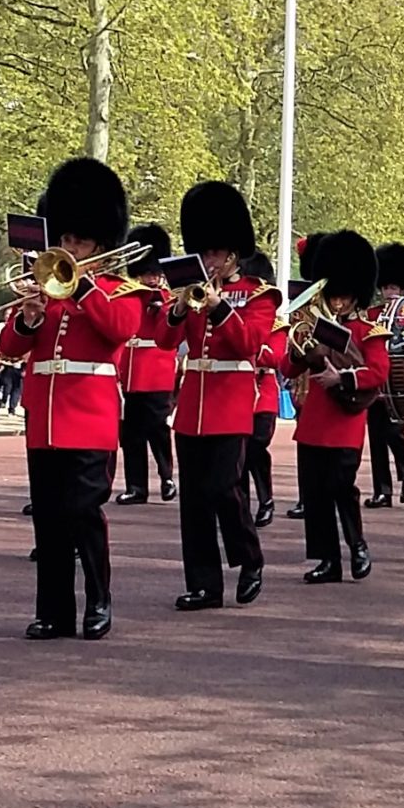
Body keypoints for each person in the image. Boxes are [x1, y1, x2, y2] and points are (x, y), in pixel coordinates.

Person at [0, 157, 142, 640]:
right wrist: (30, 316)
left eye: (78, 241)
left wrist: (82, 289)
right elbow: (9, 349)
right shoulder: (46, 290)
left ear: (99, 245)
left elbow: (120, 329)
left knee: (83, 513)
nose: (68, 248)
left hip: (90, 417)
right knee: (50, 520)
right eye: (64, 239)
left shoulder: (120, 291)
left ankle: (99, 600)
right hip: (44, 419)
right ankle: (55, 611)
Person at [157, 181, 282, 611]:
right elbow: (162, 341)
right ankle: (205, 584)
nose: (207, 260)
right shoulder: (189, 290)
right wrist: (176, 309)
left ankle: (250, 559)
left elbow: (249, 343)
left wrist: (220, 308)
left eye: (214, 253)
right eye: (203, 252)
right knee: (193, 501)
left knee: (224, 489)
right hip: (192, 406)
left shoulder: (260, 295)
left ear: (232, 254)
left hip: (230, 405)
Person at [288, 230, 389, 582]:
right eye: (334, 296)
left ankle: (357, 544)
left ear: (354, 297)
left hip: (344, 421)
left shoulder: (368, 330)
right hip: (314, 420)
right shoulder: (314, 324)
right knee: (315, 494)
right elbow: (289, 368)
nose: (337, 303)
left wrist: (343, 379)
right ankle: (327, 559)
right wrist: (300, 350)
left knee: (342, 488)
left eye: (343, 297)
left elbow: (378, 371)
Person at [114, 221, 180, 504]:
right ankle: (136, 486)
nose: (149, 279)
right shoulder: (128, 297)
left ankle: (167, 477)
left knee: (158, 429)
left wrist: (160, 307)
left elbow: (173, 329)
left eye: (154, 273)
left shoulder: (168, 298)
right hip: (129, 373)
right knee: (130, 435)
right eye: (144, 274)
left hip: (156, 374)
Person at [365, 240, 404, 509]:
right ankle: (382, 491)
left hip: (399, 383)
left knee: (394, 433)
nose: (389, 292)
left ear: (403, 288)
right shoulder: (371, 314)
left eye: (394, 288)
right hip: (376, 386)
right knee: (376, 438)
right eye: (386, 287)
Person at [242, 249, 282, 529]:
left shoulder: (276, 324)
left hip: (263, 396)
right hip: (237, 395)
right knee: (237, 456)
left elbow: (275, 357)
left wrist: (249, 345)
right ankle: (240, 504)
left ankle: (266, 499)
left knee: (256, 449)